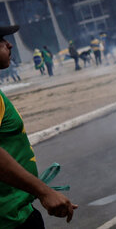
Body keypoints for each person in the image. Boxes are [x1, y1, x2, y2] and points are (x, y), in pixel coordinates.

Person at [0, 25, 78, 227]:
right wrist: (43, 191)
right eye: (1, 40)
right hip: (9, 218)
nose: (9, 45)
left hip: (17, 208)